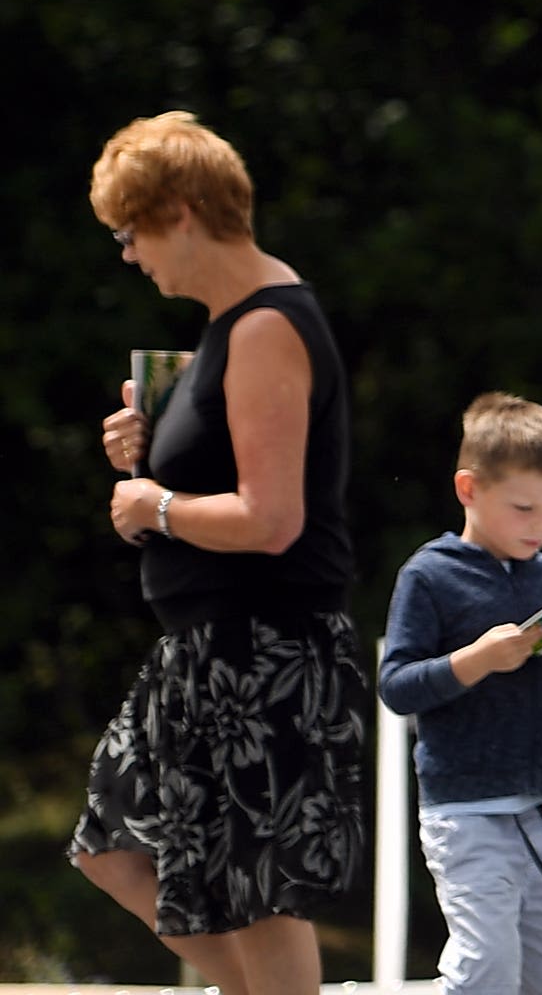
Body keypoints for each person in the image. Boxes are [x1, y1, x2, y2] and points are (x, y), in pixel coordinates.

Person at [72, 112, 364, 995]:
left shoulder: (267, 325)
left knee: (263, 895)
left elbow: (271, 520)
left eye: (131, 232)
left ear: (184, 213)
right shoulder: (227, 326)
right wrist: (152, 447)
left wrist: (153, 503)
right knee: (117, 853)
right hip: (207, 649)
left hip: (263, 647)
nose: (128, 254)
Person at [378, 395, 542, 995]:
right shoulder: (430, 575)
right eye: (524, 507)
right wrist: (475, 660)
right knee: (486, 969)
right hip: (466, 812)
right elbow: (396, 688)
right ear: (468, 489)